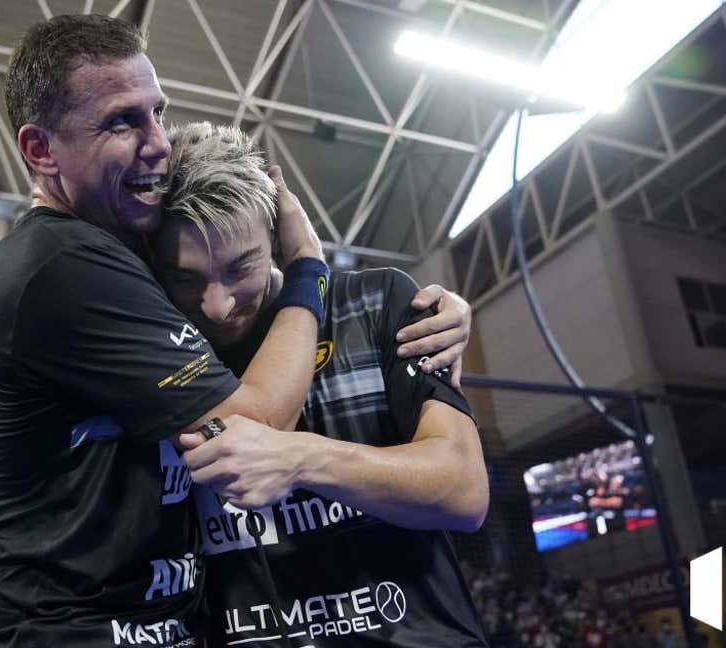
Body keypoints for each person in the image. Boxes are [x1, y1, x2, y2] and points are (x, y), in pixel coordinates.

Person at [0, 14, 469, 648]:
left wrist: (423, 308)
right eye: (122, 121)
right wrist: (309, 263)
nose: (157, 142)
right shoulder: (62, 263)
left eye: (158, 112)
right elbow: (250, 426)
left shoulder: (116, 267)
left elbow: (465, 490)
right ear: (40, 150)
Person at [157, 122, 488, 646]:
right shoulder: (159, 350)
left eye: (241, 266)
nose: (217, 306)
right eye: (186, 278)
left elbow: (464, 489)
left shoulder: (378, 302)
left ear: (276, 232)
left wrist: (302, 459)